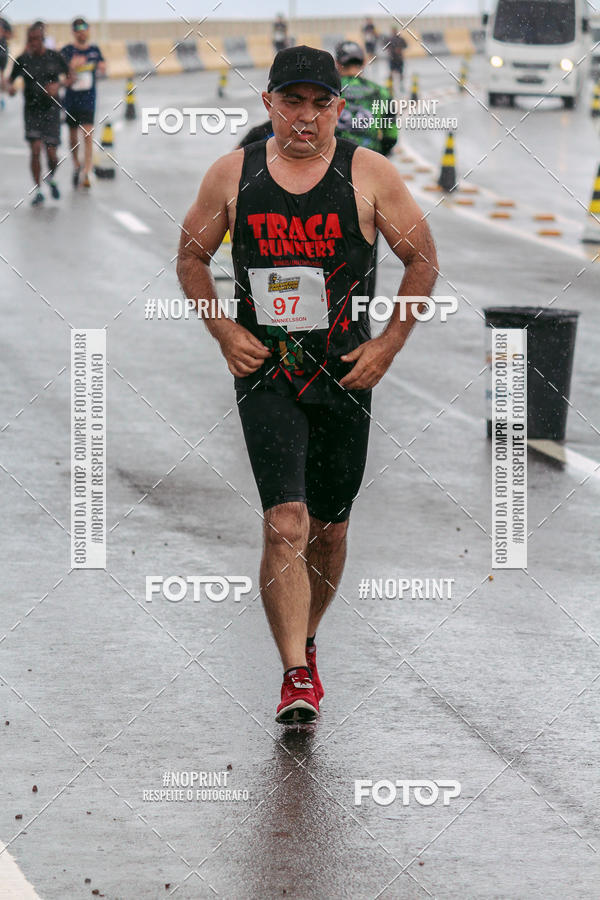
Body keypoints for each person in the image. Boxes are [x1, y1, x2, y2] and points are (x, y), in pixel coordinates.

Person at [177, 46, 437, 725]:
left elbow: (422, 260)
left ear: (337, 109)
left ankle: (308, 640)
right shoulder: (233, 174)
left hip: (347, 372)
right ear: (268, 104)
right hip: (266, 371)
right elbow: (192, 256)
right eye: (292, 101)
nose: (306, 117)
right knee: (285, 522)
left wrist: (387, 345)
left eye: (320, 104)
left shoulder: (370, 173)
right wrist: (223, 331)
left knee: (330, 529)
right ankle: (294, 672)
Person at [334, 40, 398, 300]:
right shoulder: (381, 93)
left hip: (333, 175)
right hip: (369, 180)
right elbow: (391, 137)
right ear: (363, 63)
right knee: (366, 242)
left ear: (338, 64)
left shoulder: (331, 92)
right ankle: (363, 305)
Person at [7, 23, 69, 205]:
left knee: (52, 155)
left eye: (36, 39)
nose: (33, 43)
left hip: (51, 110)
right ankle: (38, 190)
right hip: (32, 110)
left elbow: (71, 75)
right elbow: (10, 82)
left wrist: (59, 85)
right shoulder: (23, 60)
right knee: (35, 150)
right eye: (30, 40)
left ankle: (50, 177)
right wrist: (9, 89)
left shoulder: (55, 57)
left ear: (42, 39)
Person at [61, 17, 106, 188]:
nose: (82, 32)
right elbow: (59, 76)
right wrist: (71, 67)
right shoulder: (67, 51)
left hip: (88, 99)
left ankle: (87, 170)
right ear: (73, 32)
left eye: (84, 29)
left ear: (88, 31)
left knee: (87, 134)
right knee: (73, 137)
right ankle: (76, 165)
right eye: (78, 29)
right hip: (72, 100)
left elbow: (103, 66)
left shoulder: (94, 51)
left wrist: (102, 67)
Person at [0, 18, 12, 104]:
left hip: (2, 52)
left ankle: (2, 99)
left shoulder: (4, 21)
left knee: (2, 76)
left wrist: (3, 33)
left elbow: (10, 35)